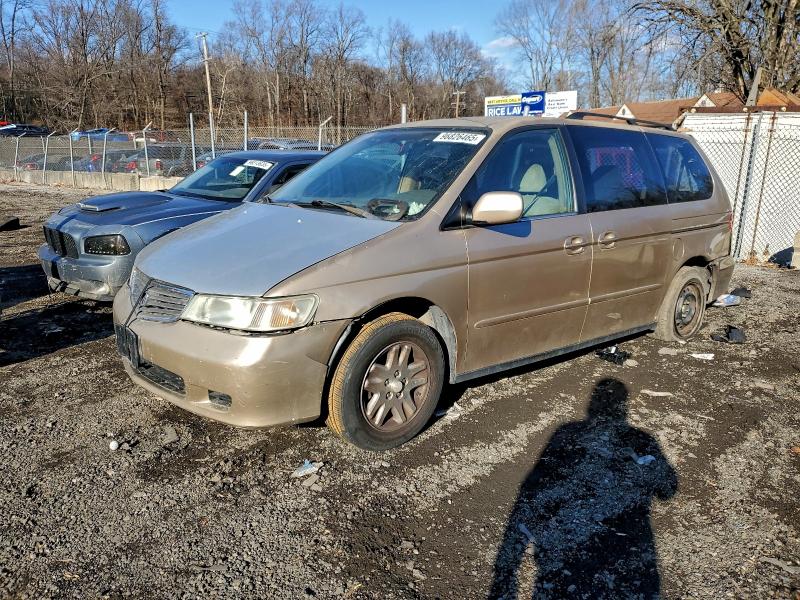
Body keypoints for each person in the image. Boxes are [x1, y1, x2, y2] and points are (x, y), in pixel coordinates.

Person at [490, 378, 678, 599]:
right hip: (624, 556)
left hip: (564, 553)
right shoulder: (642, 439)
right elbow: (668, 490)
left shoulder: (568, 431)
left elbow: (533, 488)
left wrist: (507, 570)